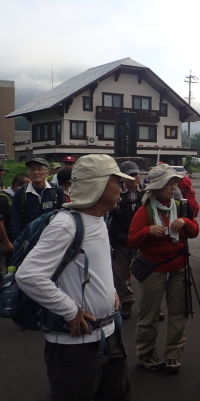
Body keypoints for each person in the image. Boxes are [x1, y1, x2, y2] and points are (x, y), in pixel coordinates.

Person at [15, 154, 134, 401]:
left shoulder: (99, 219)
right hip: (74, 348)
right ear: (99, 184)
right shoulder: (66, 224)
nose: (122, 188)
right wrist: (69, 310)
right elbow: (28, 275)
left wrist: (110, 291)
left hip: (109, 335)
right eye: (117, 182)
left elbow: (95, 265)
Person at [128, 163, 200, 374]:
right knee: (149, 315)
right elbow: (131, 241)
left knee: (179, 313)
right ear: (157, 186)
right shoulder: (144, 210)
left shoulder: (180, 205)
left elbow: (194, 232)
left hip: (179, 267)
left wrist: (185, 221)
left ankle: (173, 354)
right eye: (169, 183)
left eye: (175, 182)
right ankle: (145, 353)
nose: (173, 187)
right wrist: (148, 231)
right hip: (155, 269)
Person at [107, 161, 145, 320]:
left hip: (142, 240)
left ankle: (149, 305)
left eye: (136, 174)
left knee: (147, 273)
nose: (134, 177)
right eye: (130, 174)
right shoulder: (114, 193)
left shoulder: (146, 193)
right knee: (119, 274)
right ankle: (127, 301)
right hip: (120, 240)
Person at [11, 158, 65, 239]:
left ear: (48, 173)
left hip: (52, 238)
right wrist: (19, 241)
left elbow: (63, 215)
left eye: (40, 169)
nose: (36, 172)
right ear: (28, 173)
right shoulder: (21, 193)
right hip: (29, 239)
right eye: (32, 169)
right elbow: (16, 220)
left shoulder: (56, 190)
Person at [0, 174, 31, 278]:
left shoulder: (19, 199)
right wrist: (6, 242)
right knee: (2, 271)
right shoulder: (5, 199)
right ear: (17, 185)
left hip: (13, 242)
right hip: (4, 243)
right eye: (27, 185)